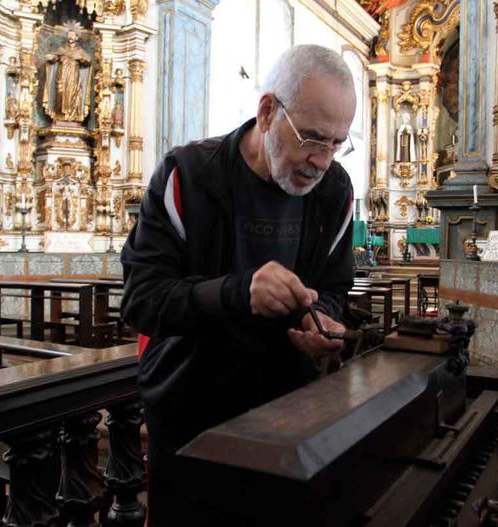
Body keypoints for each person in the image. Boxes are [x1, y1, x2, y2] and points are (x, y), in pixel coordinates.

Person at [120, 44, 357, 525]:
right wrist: (237, 292)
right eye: (312, 138)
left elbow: (333, 289)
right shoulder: (187, 175)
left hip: (289, 412)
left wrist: (323, 322)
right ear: (268, 111)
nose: (321, 160)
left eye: (337, 143)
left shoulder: (335, 192)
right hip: (190, 414)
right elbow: (141, 300)